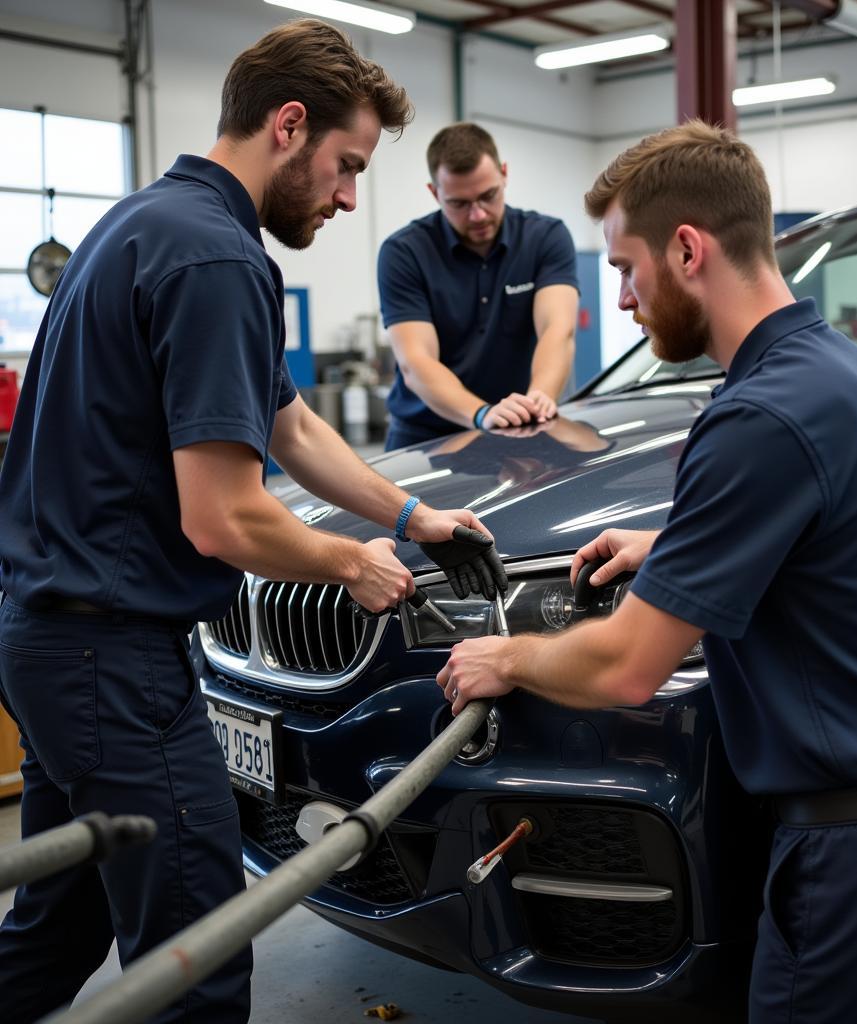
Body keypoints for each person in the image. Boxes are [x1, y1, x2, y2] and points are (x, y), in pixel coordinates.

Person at [436, 121, 857, 1022]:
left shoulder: (757, 416)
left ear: (688, 248)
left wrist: (505, 661)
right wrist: (674, 551)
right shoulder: (854, 375)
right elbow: (853, 553)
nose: (621, 301)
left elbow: (629, 666)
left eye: (626, 269)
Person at [0, 20, 501, 1024]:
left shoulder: (147, 222)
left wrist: (412, 514)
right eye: (347, 166)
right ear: (287, 126)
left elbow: (292, 425)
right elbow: (223, 517)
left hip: (50, 644)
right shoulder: (219, 261)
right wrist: (348, 563)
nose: (350, 196)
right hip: (113, 662)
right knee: (201, 956)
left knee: (58, 930)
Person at [377, 122, 580, 450]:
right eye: (459, 203)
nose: (478, 215)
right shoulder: (404, 253)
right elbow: (416, 361)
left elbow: (558, 330)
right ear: (434, 192)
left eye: (488, 196)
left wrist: (538, 400)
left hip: (521, 426)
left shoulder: (545, 237)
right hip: (426, 440)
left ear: (504, 174)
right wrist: (482, 414)